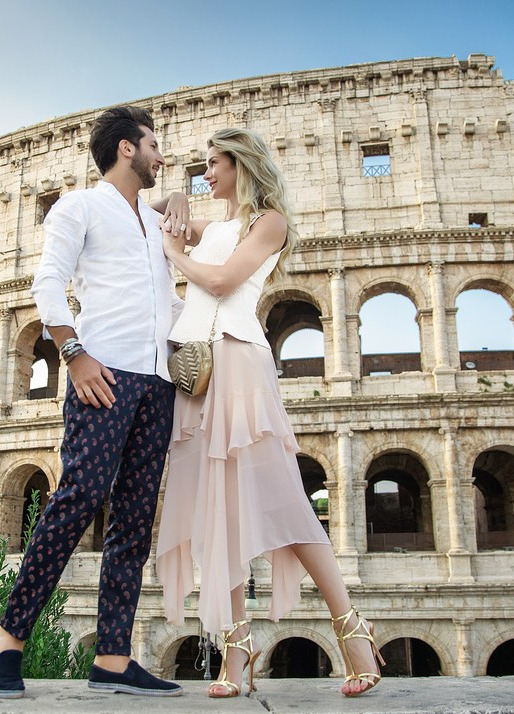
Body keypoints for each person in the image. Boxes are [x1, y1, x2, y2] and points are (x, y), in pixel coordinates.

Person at [155, 128, 385, 698]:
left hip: (238, 362)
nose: (207, 173)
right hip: (194, 372)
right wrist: (175, 200)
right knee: (215, 514)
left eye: (214, 163)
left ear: (242, 164)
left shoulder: (269, 223)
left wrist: (175, 253)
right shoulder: (214, 226)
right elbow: (146, 208)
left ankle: (352, 628)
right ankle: (237, 650)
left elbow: (221, 281)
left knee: (285, 500)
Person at [0, 106, 189, 699]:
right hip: (103, 372)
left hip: (158, 380)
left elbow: (165, 294)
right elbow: (48, 281)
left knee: (135, 520)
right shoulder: (78, 207)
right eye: (154, 145)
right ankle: (8, 640)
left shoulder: (152, 220)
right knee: (78, 499)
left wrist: (177, 198)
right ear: (127, 148)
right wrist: (72, 354)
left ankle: (113, 659)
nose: (161, 156)